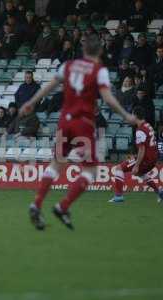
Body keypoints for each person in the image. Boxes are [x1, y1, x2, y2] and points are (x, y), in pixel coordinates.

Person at [19, 35, 137, 230]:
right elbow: (108, 99)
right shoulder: (99, 70)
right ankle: (63, 206)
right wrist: (125, 115)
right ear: (99, 52)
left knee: (56, 163)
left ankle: (37, 203)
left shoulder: (68, 65)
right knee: (91, 169)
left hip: (64, 121)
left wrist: (31, 103)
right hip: (83, 123)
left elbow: (50, 86)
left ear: (83, 50)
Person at [110, 106, 163, 203]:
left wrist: (137, 165)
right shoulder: (148, 125)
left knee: (119, 168)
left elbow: (142, 149)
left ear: (135, 116)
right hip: (153, 158)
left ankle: (118, 196)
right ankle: (159, 192)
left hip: (146, 158)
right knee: (140, 173)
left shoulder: (140, 130)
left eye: (132, 115)